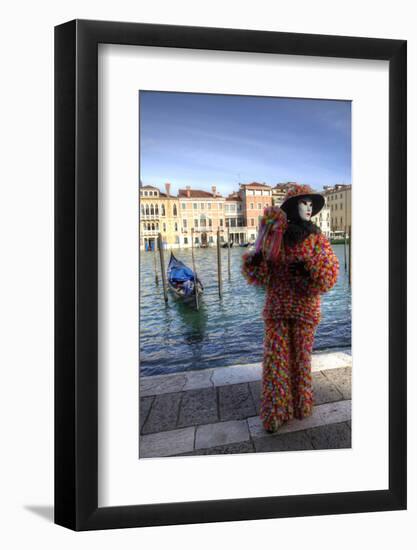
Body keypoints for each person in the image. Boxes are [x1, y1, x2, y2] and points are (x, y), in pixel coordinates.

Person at [242, 184, 339, 433]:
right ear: (291, 208)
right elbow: (260, 275)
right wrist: (256, 259)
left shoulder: (318, 239)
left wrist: (309, 270)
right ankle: (275, 412)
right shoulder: (275, 237)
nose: (308, 208)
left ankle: (300, 404)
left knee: (301, 360)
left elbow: (329, 274)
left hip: (305, 309)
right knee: (275, 361)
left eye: (310, 204)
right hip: (277, 308)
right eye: (303, 203)